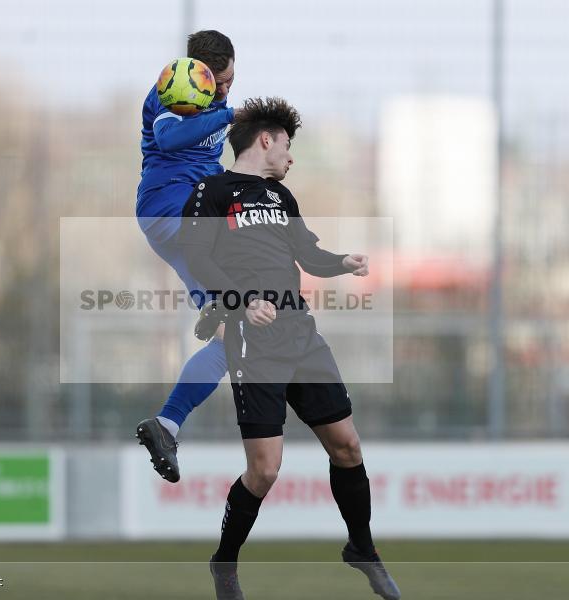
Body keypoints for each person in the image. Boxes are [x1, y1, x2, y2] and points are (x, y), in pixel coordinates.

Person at [179, 98, 401, 600]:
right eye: (287, 144)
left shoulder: (282, 198)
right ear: (265, 140)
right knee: (266, 469)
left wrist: (343, 260)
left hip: (300, 333)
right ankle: (225, 563)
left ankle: (361, 547)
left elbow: (308, 255)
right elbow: (198, 261)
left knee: (347, 445)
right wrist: (239, 303)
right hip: (251, 338)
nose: (290, 156)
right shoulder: (210, 192)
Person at [135, 29, 237, 482]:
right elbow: (174, 142)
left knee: (234, 339)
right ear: (200, 75)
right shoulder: (168, 94)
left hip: (187, 221)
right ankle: (220, 299)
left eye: (233, 81)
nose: (227, 89)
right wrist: (231, 113)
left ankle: (167, 424)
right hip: (172, 208)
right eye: (222, 81)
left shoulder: (218, 105)